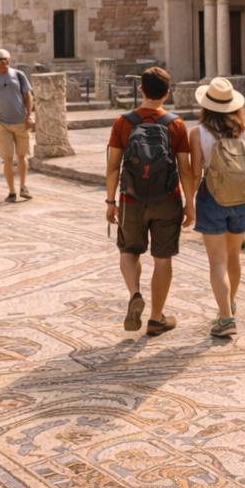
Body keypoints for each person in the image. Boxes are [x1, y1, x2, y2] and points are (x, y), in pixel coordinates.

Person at [106, 66, 195, 337]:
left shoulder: (123, 122)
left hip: (130, 199)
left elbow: (113, 167)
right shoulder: (176, 124)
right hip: (167, 199)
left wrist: (111, 202)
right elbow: (185, 168)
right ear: (167, 93)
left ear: (140, 89)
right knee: (162, 258)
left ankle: (135, 293)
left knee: (129, 250)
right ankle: (156, 319)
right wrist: (189, 203)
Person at [190, 77, 245, 338]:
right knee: (233, 257)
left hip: (212, 198)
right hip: (244, 198)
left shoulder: (198, 132)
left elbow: (194, 172)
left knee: (217, 261)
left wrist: (188, 205)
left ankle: (225, 318)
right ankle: (229, 305)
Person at [0, 49, 35, 203]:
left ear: (9, 59)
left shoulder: (19, 75)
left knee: (22, 156)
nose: (1, 61)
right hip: (2, 123)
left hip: (20, 121)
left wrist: (28, 115)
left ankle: (23, 186)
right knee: (7, 158)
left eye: (3, 58)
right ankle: (11, 191)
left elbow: (28, 96)